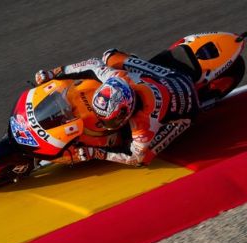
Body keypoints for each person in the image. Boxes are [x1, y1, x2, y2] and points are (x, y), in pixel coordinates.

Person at [34, 49, 200, 166]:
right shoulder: (117, 78)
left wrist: (98, 153)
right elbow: (93, 64)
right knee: (109, 55)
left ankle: (182, 122)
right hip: (165, 78)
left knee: (145, 156)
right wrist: (55, 73)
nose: (105, 124)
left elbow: (136, 158)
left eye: (111, 120)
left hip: (187, 107)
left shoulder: (144, 125)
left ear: (127, 112)